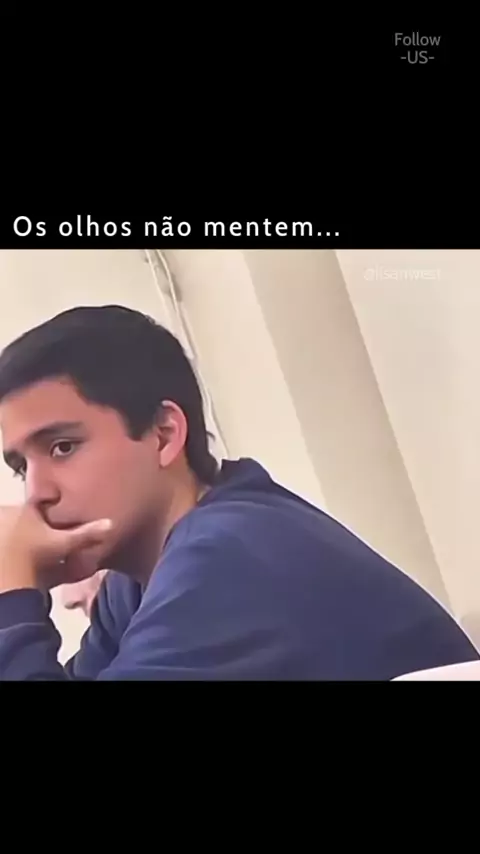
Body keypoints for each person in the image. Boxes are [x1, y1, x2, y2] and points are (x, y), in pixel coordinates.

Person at [0, 304, 477, 681]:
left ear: (164, 435)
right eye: (21, 466)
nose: (36, 493)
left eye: (62, 447)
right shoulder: (134, 586)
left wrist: (10, 591)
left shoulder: (227, 558)